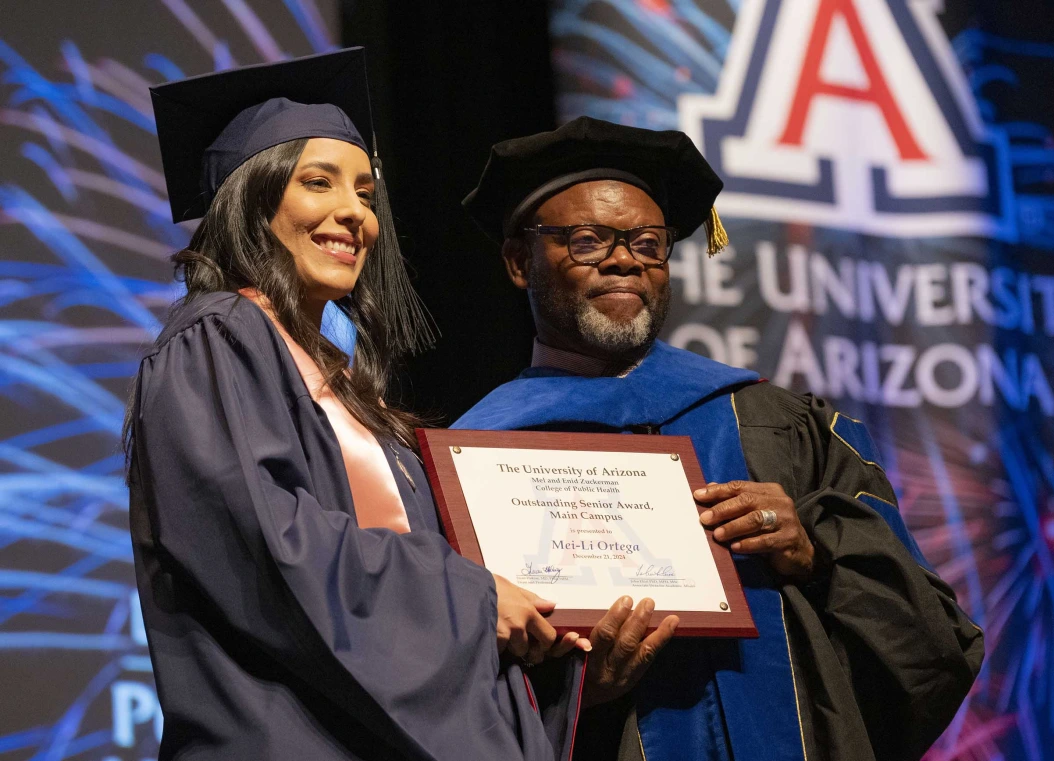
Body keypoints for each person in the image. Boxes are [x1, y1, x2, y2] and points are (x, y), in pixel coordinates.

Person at [455, 116, 985, 761]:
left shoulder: (780, 424)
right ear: (519, 262)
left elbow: (934, 641)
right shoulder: (475, 455)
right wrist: (566, 694)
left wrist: (817, 554)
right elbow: (441, 683)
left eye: (649, 243)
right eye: (588, 240)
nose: (625, 259)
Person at [125, 49, 588, 761]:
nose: (355, 214)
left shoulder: (347, 388)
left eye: (367, 195)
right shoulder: (217, 338)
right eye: (319, 182)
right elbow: (264, 542)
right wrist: (471, 598)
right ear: (253, 196)